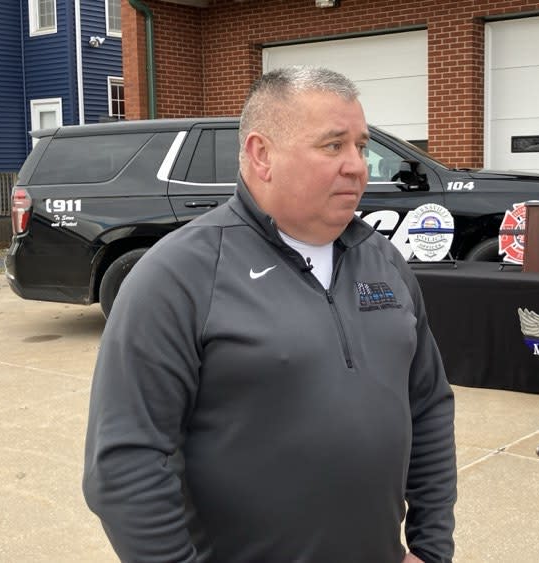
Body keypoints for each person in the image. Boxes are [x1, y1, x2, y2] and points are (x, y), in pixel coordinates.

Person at [83, 66, 457, 563]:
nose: (358, 166)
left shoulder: (383, 261)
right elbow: (125, 464)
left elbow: (428, 406)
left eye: (361, 146)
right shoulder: (179, 275)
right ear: (262, 155)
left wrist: (431, 549)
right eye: (333, 146)